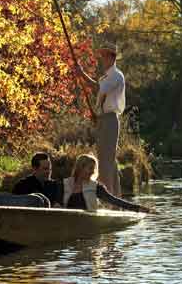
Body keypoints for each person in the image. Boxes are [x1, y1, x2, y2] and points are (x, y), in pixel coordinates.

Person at [78, 43, 125, 197]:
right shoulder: (105, 77)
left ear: (112, 57)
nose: (102, 59)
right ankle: (115, 197)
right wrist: (82, 74)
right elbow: (97, 89)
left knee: (106, 162)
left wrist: (98, 111)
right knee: (107, 160)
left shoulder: (116, 76)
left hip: (110, 119)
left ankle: (108, 198)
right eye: (102, 55)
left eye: (105, 55)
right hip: (103, 119)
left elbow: (101, 91)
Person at [61, 154, 152, 213]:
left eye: (94, 169)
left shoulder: (96, 187)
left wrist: (138, 208)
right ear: (80, 168)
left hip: (88, 226)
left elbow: (114, 201)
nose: (93, 172)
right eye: (90, 168)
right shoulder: (64, 184)